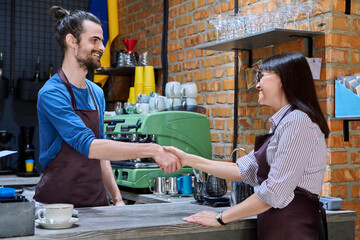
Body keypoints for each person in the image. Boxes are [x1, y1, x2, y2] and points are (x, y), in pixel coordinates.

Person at [164, 52, 330, 240]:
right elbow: (242, 169)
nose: (257, 84)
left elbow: (274, 192)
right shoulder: (285, 122)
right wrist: (187, 159)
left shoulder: (297, 122)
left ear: (284, 78)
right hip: (280, 226)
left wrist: (221, 217)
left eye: (262, 76)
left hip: (294, 229)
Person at [33, 6, 181, 208]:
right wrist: (153, 149)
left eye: (101, 40)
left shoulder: (96, 93)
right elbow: (90, 146)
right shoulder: (52, 93)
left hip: (96, 202)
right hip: (57, 205)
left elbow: (103, 153)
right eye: (94, 40)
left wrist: (117, 198)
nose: (102, 47)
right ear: (71, 41)